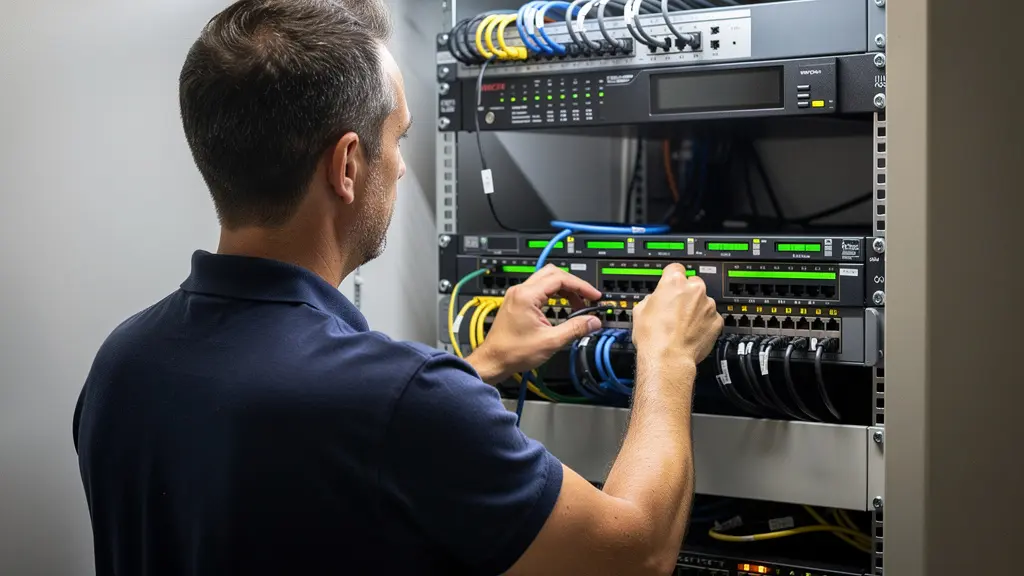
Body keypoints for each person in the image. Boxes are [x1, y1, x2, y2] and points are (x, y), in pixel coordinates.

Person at [72, 0, 724, 574]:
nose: (404, 164)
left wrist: (481, 366)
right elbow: (635, 556)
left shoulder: (123, 363)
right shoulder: (401, 402)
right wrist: (666, 358)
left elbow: (311, 457)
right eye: (397, 138)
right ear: (349, 165)